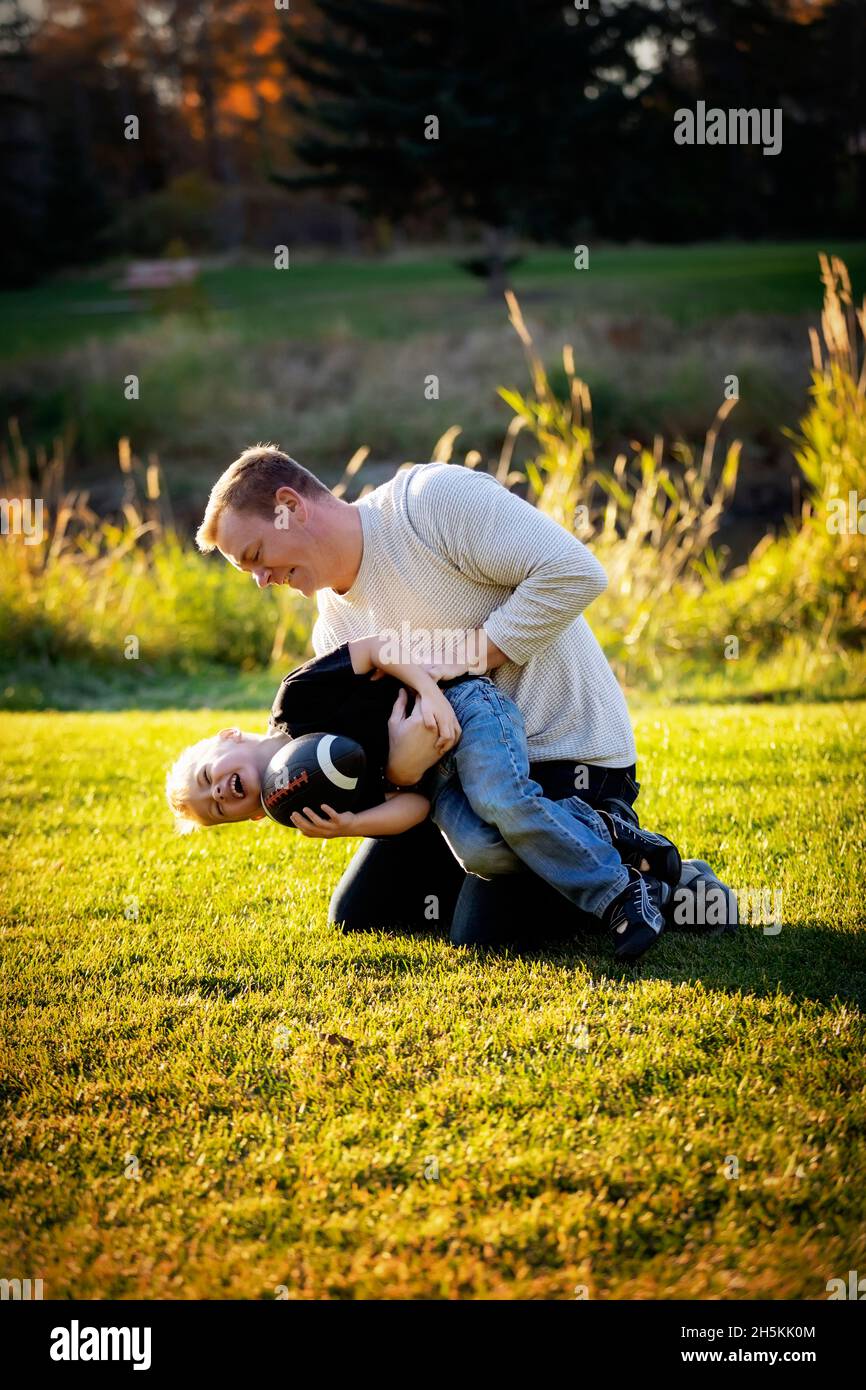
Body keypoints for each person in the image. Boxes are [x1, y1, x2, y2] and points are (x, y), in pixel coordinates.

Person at [194, 444, 736, 946]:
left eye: (257, 554)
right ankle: (558, 870)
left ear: (290, 506)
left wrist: (460, 659)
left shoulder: (429, 504)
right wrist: (402, 774)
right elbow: (398, 764)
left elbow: (575, 572)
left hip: (563, 759)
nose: (261, 580)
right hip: (456, 785)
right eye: (249, 571)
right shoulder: (333, 634)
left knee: (481, 937)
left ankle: (656, 876)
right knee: (362, 915)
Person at [166, 634, 686, 962]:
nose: (219, 792)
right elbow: (413, 807)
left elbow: (376, 648)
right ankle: (601, 827)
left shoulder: (296, 699)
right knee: (483, 852)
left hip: (461, 710)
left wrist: (433, 691)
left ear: (229, 736)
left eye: (209, 775)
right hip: (436, 784)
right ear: (250, 817)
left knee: (502, 800)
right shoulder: (299, 806)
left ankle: (619, 896)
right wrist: (351, 825)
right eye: (218, 808)